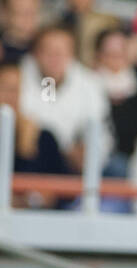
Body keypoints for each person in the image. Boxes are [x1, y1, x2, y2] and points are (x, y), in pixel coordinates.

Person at [18, 25, 114, 169]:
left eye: (61, 52)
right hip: (30, 161)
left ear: (72, 54)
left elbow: (101, 133)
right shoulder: (17, 77)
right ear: (36, 54)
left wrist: (88, 152)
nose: (55, 58)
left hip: (75, 168)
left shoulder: (90, 84)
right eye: (48, 51)